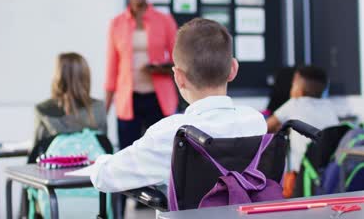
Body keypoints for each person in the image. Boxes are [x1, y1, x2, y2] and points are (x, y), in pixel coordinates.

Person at [70, 18, 267, 195]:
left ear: (178, 77)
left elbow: (106, 177)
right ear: (233, 69)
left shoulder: (172, 133)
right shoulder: (256, 122)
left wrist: (101, 161)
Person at [105, 0, 178, 154]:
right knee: (127, 154)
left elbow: (178, 59)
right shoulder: (117, 24)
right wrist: (103, 112)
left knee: (162, 153)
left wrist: (159, 68)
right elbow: (112, 70)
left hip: (158, 98)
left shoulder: (164, 20)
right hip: (128, 100)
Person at [266, 65, 339, 171]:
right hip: (328, 169)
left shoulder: (294, 104)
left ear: (298, 86)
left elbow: (265, 127)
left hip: (303, 171)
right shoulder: (329, 106)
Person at [32, 52, 107, 151]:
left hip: (54, 165)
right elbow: (106, 147)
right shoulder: (98, 108)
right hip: (92, 165)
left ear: (58, 77)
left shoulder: (43, 110)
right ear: (85, 76)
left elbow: (35, 151)